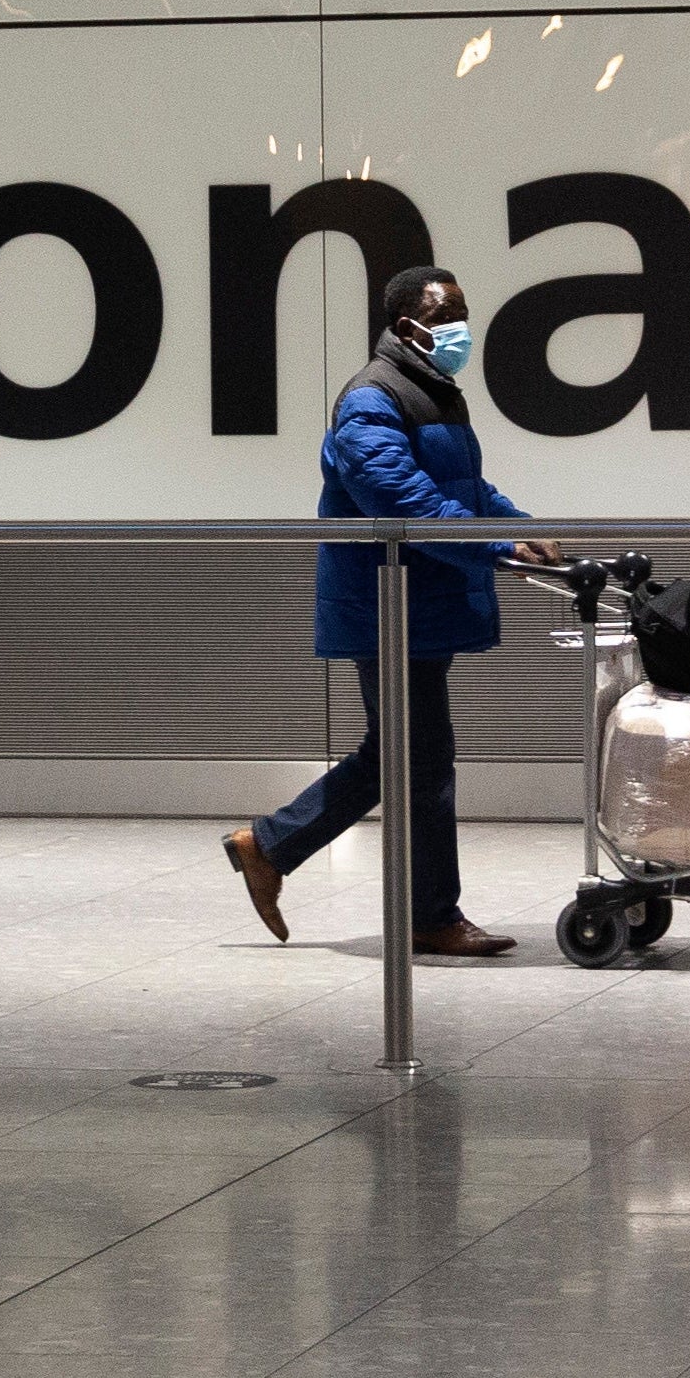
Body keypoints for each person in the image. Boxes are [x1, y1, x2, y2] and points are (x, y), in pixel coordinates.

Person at [224, 262, 547, 958]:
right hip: (388, 604)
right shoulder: (372, 399)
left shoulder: (430, 390)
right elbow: (401, 500)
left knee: (403, 754)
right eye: (447, 318)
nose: (461, 331)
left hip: (415, 603)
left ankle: (271, 846)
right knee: (418, 759)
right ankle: (424, 913)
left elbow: (460, 486)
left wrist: (521, 529)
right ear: (408, 326)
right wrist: (498, 546)